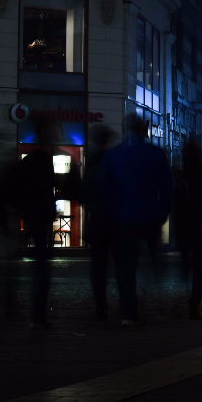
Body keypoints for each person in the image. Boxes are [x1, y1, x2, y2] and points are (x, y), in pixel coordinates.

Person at [97, 116, 173, 326]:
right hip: (150, 215)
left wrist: (112, 212)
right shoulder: (155, 153)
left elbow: (104, 189)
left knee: (127, 265)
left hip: (123, 218)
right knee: (154, 260)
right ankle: (157, 302)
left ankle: (129, 311)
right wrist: (162, 211)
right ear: (145, 129)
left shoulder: (114, 155)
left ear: (125, 129)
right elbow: (167, 186)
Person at [10, 119, 59, 328]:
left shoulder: (33, 159)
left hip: (35, 217)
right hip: (39, 218)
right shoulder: (42, 159)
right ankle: (37, 316)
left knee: (41, 267)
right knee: (41, 269)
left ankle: (36, 315)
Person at [173, 137, 202, 319]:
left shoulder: (180, 175)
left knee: (186, 261)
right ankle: (194, 304)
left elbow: (173, 200)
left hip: (183, 223)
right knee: (199, 266)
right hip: (201, 223)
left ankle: (183, 284)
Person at [81, 125, 118, 320]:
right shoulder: (113, 158)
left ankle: (100, 304)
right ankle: (124, 302)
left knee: (98, 265)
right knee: (119, 262)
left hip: (97, 218)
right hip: (114, 218)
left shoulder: (92, 160)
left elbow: (85, 189)